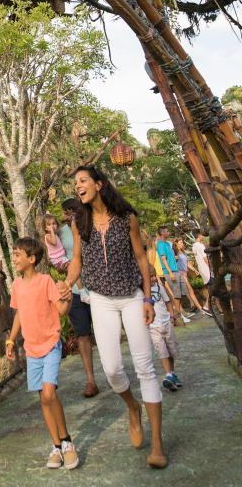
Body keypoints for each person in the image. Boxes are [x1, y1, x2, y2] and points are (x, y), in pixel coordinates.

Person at [64, 166, 167, 469]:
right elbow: (77, 261)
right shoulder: (78, 223)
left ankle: (158, 445)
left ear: (99, 184)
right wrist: (66, 283)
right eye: (75, 184)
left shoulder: (127, 218)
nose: (77, 187)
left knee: (145, 368)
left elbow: (140, 259)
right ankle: (132, 407)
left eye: (82, 181)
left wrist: (148, 298)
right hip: (101, 301)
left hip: (132, 297)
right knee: (111, 370)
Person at [6, 236, 79, 470]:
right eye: (14, 253)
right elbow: (18, 313)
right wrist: (10, 339)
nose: (14, 258)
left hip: (50, 344)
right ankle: (56, 446)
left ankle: (67, 442)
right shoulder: (17, 285)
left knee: (49, 393)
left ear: (32, 258)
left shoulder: (46, 280)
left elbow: (61, 309)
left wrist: (67, 300)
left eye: (18, 254)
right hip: (31, 349)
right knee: (43, 399)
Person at [60, 198, 99, 398]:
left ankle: (114, 373)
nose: (68, 216)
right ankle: (90, 380)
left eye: (72, 211)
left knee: (103, 331)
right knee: (83, 334)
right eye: (66, 212)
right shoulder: (60, 232)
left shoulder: (93, 225)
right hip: (75, 290)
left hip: (97, 288)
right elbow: (56, 255)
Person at [148, 265, 182, 392]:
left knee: (171, 351)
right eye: (149, 277)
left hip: (166, 323)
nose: (151, 279)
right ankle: (168, 375)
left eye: (153, 276)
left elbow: (168, 302)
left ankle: (172, 374)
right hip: (153, 327)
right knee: (162, 351)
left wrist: (172, 316)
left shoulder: (159, 287)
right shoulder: (141, 292)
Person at [156, 226, 191, 326]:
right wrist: (170, 272)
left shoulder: (168, 244)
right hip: (170, 272)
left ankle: (179, 313)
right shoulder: (161, 244)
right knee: (176, 294)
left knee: (181, 293)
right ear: (162, 233)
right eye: (167, 231)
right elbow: (163, 260)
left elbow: (170, 257)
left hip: (176, 270)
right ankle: (178, 315)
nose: (168, 232)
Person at [172, 238, 202, 314]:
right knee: (190, 291)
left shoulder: (182, 252)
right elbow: (173, 263)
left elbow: (187, 263)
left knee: (186, 292)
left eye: (182, 242)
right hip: (181, 274)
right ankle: (201, 308)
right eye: (181, 242)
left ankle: (190, 307)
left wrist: (194, 269)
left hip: (185, 274)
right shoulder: (175, 253)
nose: (182, 244)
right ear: (176, 244)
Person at [192, 233, 214, 315]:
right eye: (201, 235)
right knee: (213, 288)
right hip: (206, 269)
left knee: (211, 288)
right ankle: (206, 307)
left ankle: (208, 306)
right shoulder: (200, 246)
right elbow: (205, 258)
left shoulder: (194, 246)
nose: (203, 236)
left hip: (201, 269)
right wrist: (210, 267)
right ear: (199, 236)